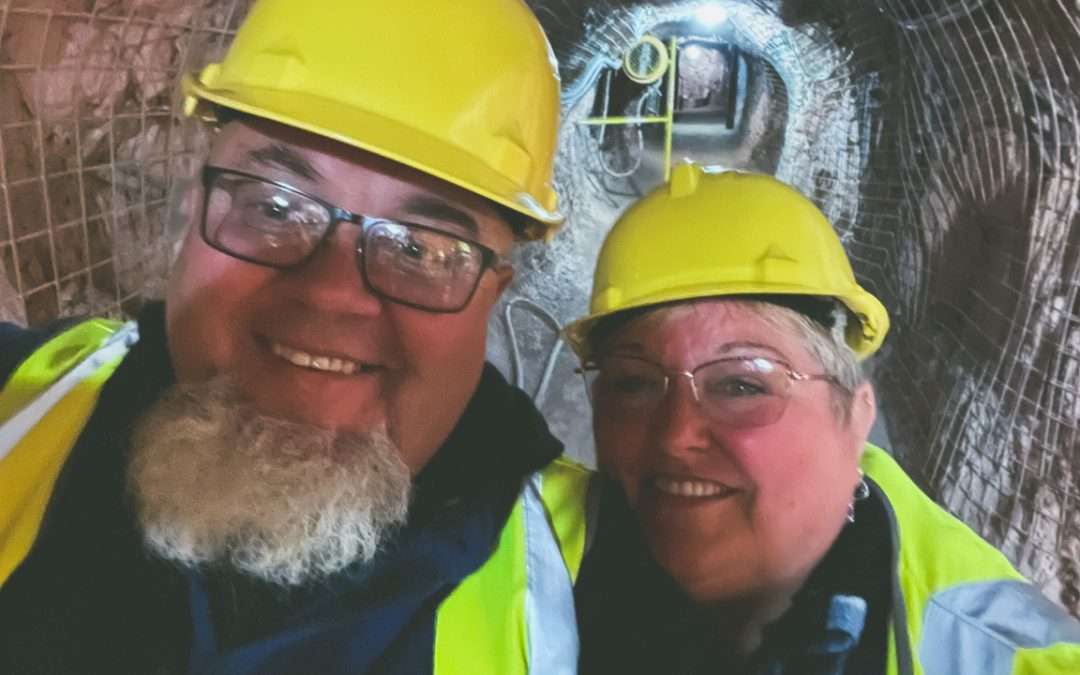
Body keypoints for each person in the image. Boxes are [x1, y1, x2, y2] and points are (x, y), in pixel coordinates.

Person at [0, 1, 589, 673]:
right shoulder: (22, 401)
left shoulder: (591, 575)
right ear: (190, 212)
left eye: (423, 249)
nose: (332, 291)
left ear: (493, 294)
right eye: (274, 205)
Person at [565, 163, 1080, 675]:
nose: (675, 436)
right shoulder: (522, 542)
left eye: (742, 385)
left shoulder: (994, 652)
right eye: (632, 383)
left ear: (854, 420)